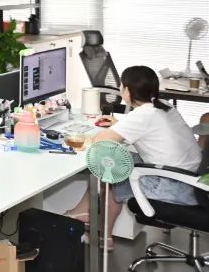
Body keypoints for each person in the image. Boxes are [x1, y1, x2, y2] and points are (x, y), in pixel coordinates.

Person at [67, 66, 202, 245]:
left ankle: (95, 226)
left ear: (128, 91)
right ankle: (95, 224)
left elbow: (99, 140)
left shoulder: (142, 116)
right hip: (193, 181)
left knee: (111, 164)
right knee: (120, 158)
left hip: (171, 188)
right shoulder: (164, 106)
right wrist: (120, 126)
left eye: (121, 86)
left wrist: (71, 136)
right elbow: (148, 129)